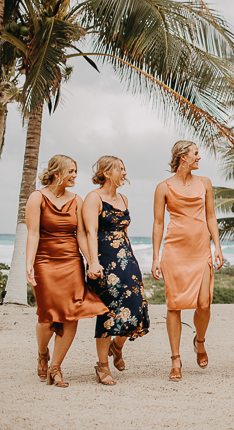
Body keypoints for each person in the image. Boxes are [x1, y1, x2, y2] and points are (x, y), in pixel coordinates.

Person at [25, 155, 108, 387]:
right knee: (47, 316)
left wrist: (92, 260)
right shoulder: (37, 197)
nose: (74, 176)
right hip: (44, 262)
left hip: (71, 261)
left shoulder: (77, 200)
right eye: (70, 171)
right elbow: (33, 234)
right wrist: (28, 264)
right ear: (56, 172)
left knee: (72, 315)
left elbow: (80, 234)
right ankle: (43, 353)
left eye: (75, 171)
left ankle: (55, 368)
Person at [152, 141, 224, 381]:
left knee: (204, 302)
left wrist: (218, 247)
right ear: (183, 157)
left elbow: (211, 216)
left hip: (200, 248)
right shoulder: (163, 187)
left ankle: (199, 341)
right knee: (174, 305)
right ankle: (175, 359)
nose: (199, 157)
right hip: (174, 250)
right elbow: (159, 223)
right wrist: (155, 256)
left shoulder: (205, 183)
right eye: (195, 153)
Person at [83, 156, 150, 386]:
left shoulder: (123, 198)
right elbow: (90, 232)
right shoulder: (93, 198)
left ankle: (117, 346)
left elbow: (124, 232)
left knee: (136, 305)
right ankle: (102, 366)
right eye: (120, 169)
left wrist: (132, 259)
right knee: (109, 312)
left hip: (127, 258)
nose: (124, 172)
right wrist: (93, 261)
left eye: (124, 168)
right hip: (104, 261)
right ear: (106, 172)